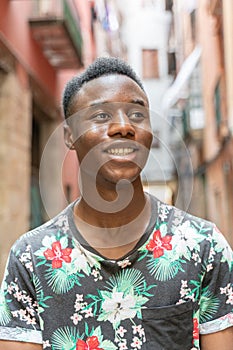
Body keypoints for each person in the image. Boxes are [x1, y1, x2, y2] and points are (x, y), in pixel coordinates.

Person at [0, 57, 232, 350]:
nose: (123, 126)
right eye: (100, 116)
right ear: (70, 136)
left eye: (137, 114)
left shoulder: (205, 246)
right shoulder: (30, 259)